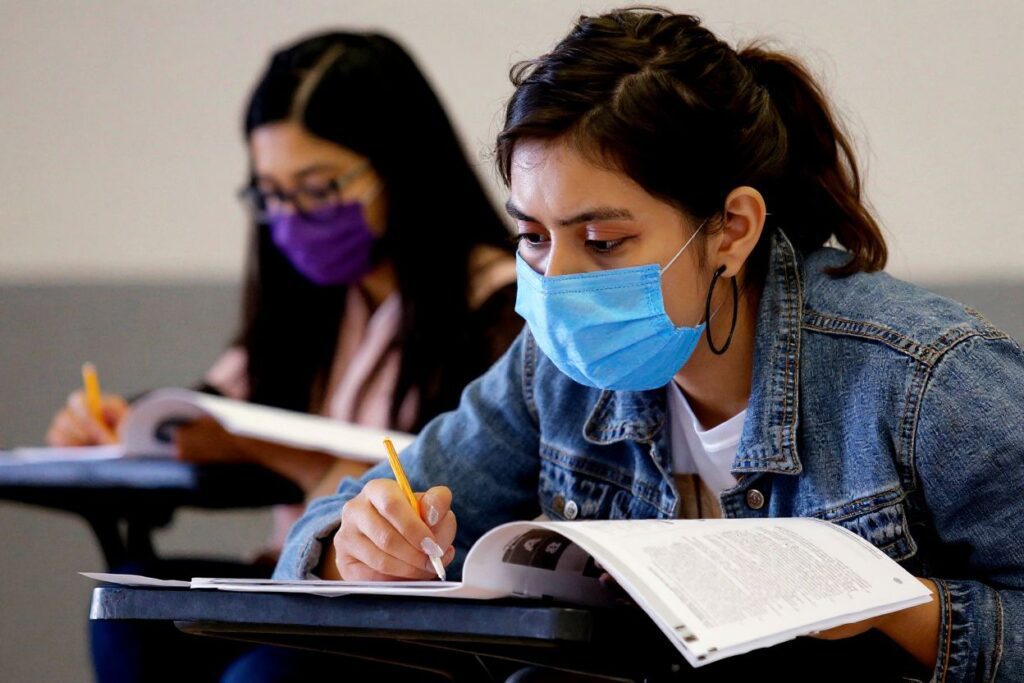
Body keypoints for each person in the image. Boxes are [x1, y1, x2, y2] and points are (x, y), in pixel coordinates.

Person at [276, 9, 1024, 682]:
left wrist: (891, 604)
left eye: (603, 241)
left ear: (732, 229)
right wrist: (356, 545)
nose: (556, 280)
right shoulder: (551, 371)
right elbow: (329, 528)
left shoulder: (926, 376)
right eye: (532, 236)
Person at [47, 31, 522, 682]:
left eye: (318, 188)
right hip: (303, 579)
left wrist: (284, 457)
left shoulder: (499, 310)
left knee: (263, 676)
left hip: (418, 613)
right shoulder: (314, 303)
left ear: (400, 168)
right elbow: (208, 408)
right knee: (131, 615)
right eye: (271, 195)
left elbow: (469, 487)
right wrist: (115, 422)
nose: (294, 218)